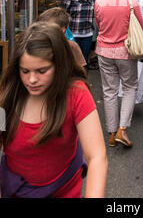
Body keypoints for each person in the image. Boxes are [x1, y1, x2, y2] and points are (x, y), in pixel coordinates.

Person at [0, 22, 107, 198]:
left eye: (42, 71)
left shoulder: (76, 94)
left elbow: (96, 156)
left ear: (59, 65)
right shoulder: (8, 97)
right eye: (25, 71)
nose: (32, 79)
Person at [94, 0, 143, 148]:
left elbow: (98, 24)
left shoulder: (99, 1)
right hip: (125, 50)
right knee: (130, 87)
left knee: (109, 91)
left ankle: (111, 133)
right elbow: (140, 24)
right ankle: (123, 128)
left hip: (104, 50)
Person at [61, 0, 96, 69]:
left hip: (87, 34)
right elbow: (63, 12)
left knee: (84, 61)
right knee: (71, 61)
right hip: (72, 34)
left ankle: (83, 82)